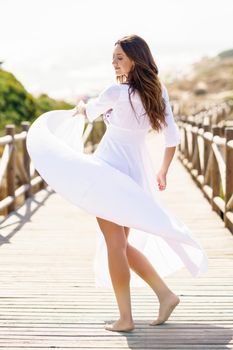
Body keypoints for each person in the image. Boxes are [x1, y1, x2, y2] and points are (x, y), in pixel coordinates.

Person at [71, 34, 191, 332]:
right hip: (137, 172)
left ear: (135, 59)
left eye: (119, 58)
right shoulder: (157, 93)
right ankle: (165, 295)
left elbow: (88, 114)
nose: (114, 63)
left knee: (115, 244)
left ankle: (126, 318)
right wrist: (162, 171)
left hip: (110, 171)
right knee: (120, 243)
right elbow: (172, 138)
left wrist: (80, 105)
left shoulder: (116, 92)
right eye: (113, 58)